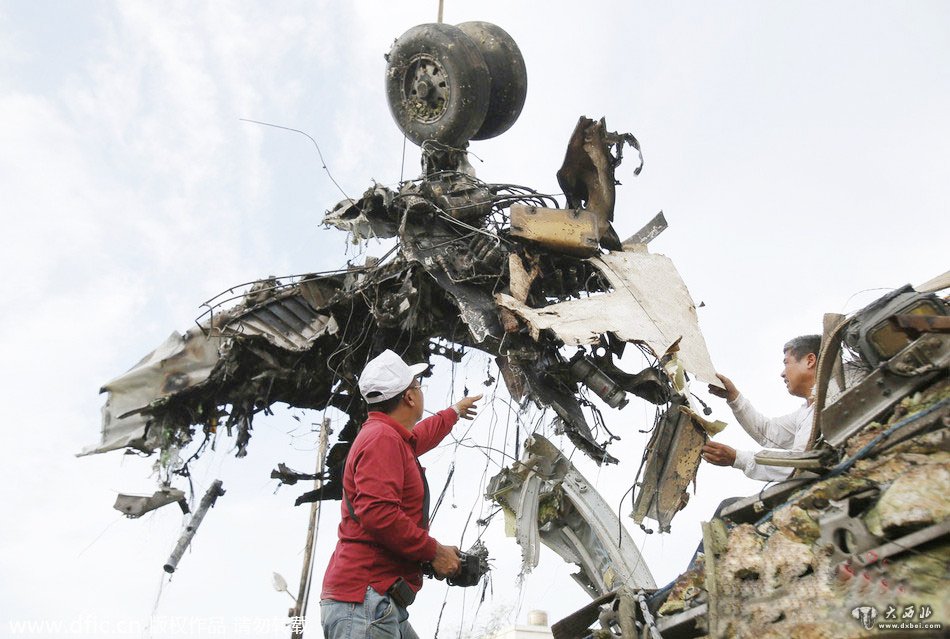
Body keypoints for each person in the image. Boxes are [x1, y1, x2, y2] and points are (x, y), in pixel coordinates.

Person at [320, 349, 482, 638]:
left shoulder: (387, 437)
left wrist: (454, 412)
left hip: (374, 602)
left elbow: (418, 438)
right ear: (409, 397)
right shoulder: (382, 440)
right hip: (365, 603)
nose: (420, 391)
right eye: (418, 385)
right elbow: (379, 515)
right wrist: (434, 551)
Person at [701, 334, 821, 482]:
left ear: (810, 361)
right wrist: (733, 397)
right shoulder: (806, 412)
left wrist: (737, 458)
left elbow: (801, 465)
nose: (782, 373)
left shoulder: (832, 402)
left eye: (786, 363)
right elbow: (768, 432)